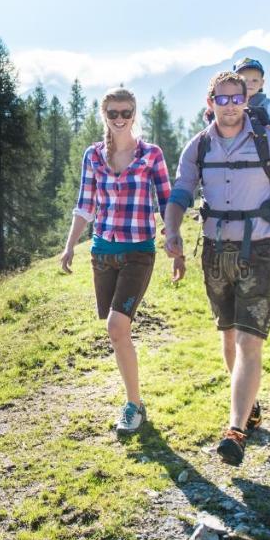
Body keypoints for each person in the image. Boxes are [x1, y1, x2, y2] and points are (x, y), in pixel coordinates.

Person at [163, 71, 270, 465]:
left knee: (249, 342)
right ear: (210, 103)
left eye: (238, 98)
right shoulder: (198, 147)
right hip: (215, 253)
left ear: (246, 101)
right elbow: (180, 192)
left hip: (262, 250)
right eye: (223, 99)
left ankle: (235, 430)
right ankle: (249, 407)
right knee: (229, 335)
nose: (231, 105)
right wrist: (171, 232)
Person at [60, 87, 174, 435]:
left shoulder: (151, 155)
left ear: (135, 114)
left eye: (126, 112)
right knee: (117, 332)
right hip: (102, 253)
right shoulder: (93, 156)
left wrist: (175, 241)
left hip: (139, 251)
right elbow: (85, 205)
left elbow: (168, 203)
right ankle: (135, 400)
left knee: (116, 326)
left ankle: (133, 406)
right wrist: (69, 247)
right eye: (113, 114)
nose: (120, 119)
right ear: (104, 116)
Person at [232, 56, 270, 130]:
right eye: (245, 80)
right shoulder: (231, 101)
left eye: (255, 80)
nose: (250, 84)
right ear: (235, 83)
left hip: (259, 139)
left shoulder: (266, 103)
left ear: (261, 83)